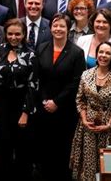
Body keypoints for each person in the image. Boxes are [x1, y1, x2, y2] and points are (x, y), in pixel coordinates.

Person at [35, 13, 86, 180]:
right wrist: (45, 100)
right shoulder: (42, 48)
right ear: (50, 28)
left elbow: (76, 82)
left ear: (68, 28)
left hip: (65, 110)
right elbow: (37, 78)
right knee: (44, 150)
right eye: (55, 25)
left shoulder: (77, 52)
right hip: (44, 109)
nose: (58, 29)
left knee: (62, 150)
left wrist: (57, 102)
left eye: (62, 26)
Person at [70, 42, 111, 179]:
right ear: (96, 55)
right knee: (88, 168)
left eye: (108, 53)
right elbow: (80, 100)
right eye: (101, 52)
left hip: (110, 128)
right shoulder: (86, 74)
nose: (103, 55)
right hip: (87, 128)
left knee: (108, 167)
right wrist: (84, 120)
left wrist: (109, 124)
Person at [0, 19, 37, 180]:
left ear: (24, 34)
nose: (14, 37)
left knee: (22, 149)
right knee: (3, 147)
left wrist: (26, 112)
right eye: (10, 33)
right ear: (5, 34)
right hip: (2, 105)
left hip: (22, 104)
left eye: (17, 34)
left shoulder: (31, 54)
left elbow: (33, 84)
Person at [76, 9, 111, 90]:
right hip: (84, 93)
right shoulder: (82, 40)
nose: (101, 25)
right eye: (98, 21)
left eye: (105, 22)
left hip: (109, 96)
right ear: (93, 22)